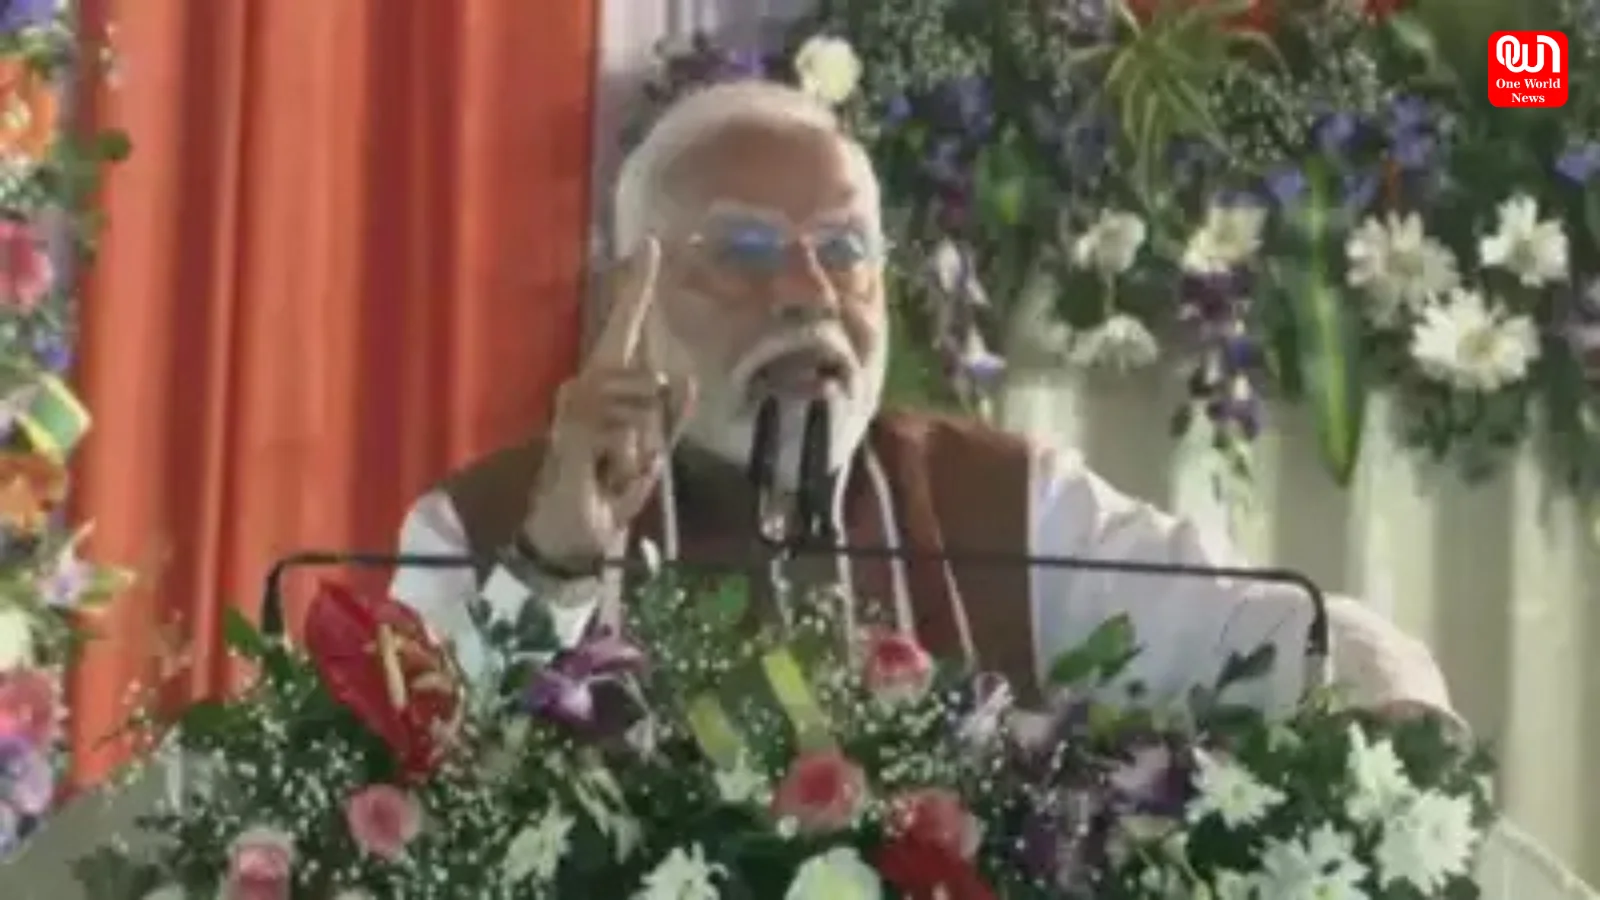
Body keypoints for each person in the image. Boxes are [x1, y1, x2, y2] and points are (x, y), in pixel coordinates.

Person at [390, 81, 1453, 721]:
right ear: (632, 289)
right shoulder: (472, 527)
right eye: (746, 248)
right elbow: (411, 785)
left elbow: (1268, 633)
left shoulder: (1003, 503)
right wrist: (557, 561)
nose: (808, 293)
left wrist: (1386, 691)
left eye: (845, 250)